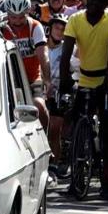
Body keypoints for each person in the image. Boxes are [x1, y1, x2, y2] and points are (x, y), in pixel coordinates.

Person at [58, 0, 108, 200]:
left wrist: (105, 84)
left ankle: (106, 179)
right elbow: (66, 54)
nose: (93, 3)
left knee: (107, 130)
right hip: (86, 76)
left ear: (106, 4)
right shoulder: (75, 19)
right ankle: (75, 176)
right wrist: (65, 80)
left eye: (99, 0)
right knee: (77, 120)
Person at [0, 0, 52, 130]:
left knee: (39, 105)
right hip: (9, 79)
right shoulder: (0, 30)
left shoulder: (35, 26)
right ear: (7, 14)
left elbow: (43, 55)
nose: (17, 21)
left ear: (28, 12)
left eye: (21, 17)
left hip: (33, 77)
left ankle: (46, 138)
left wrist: (48, 80)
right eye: (13, 17)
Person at [44, 13, 70, 178]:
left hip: (60, 91)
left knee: (54, 129)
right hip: (42, 89)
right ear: (50, 28)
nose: (59, 31)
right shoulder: (41, 47)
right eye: (56, 27)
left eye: (62, 29)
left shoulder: (67, 48)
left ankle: (55, 163)